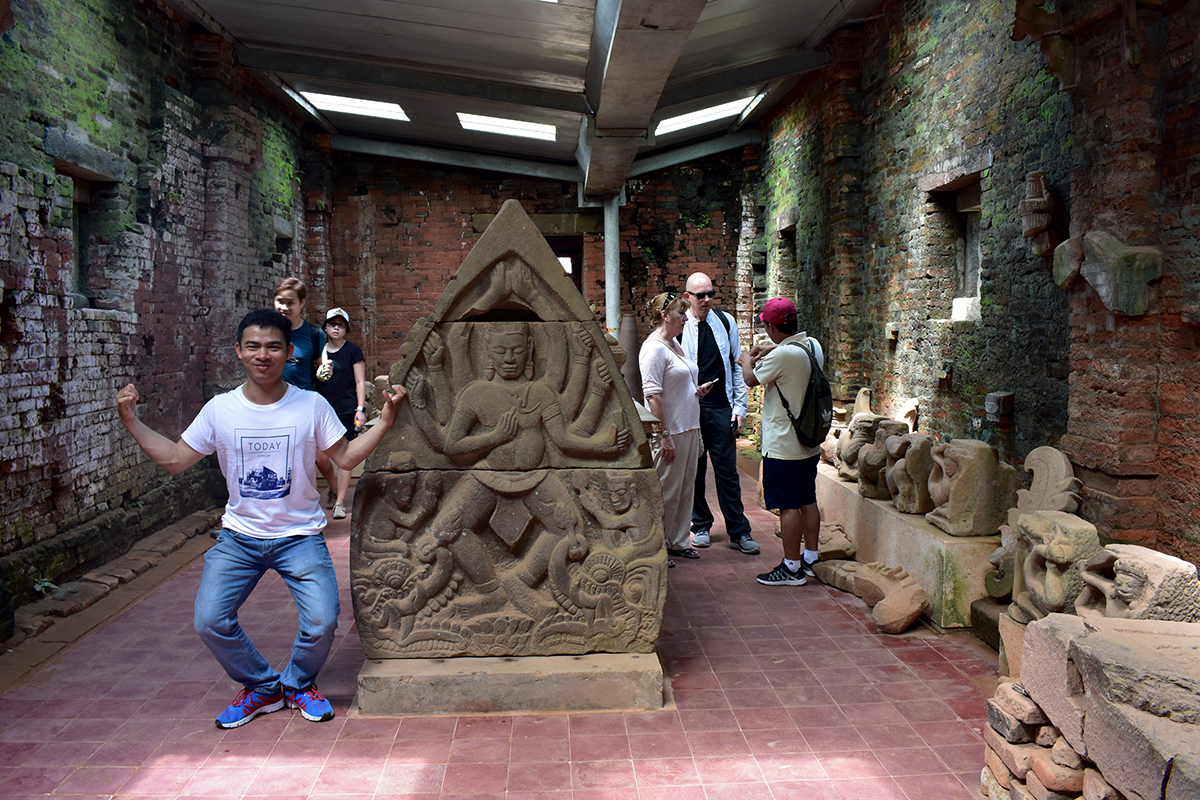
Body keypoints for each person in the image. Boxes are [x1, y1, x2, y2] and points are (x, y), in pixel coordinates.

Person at [115, 309, 408, 728]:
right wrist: (132, 422)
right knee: (210, 620)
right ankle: (262, 686)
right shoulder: (221, 410)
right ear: (239, 351)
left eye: (273, 347)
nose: (262, 355)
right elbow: (176, 459)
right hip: (239, 537)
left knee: (323, 620)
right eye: (253, 346)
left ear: (289, 353)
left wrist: (386, 422)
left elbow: (345, 457)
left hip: (299, 536)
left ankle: (299, 682)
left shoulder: (310, 405)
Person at [737, 297, 824, 586]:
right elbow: (792, 353)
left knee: (788, 507)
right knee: (807, 500)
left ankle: (791, 567)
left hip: (784, 446)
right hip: (809, 441)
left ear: (771, 328)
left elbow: (751, 379)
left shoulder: (781, 356)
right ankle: (810, 558)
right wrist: (772, 348)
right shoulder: (813, 346)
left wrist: (746, 360)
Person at [679, 272, 759, 555]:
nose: (707, 300)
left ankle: (739, 530)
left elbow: (737, 365)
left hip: (721, 406)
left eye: (711, 294)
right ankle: (700, 525)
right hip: (691, 407)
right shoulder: (680, 325)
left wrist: (740, 408)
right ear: (688, 297)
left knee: (727, 471)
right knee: (695, 470)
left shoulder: (725, 322)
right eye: (701, 295)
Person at [640, 292, 718, 561]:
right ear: (665, 316)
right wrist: (664, 435)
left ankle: (677, 540)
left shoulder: (674, 344)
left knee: (685, 489)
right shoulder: (653, 349)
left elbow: (677, 385)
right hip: (671, 430)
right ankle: (655, 546)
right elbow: (653, 395)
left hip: (689, 425)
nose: (685, 318)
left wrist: (696, 392)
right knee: (665, 492)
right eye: (680, 313)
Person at [273, 277, 338, 503]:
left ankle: (334, 488)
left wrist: (325, 371)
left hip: (302, 402)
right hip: (273, 404)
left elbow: (322, 365)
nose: (284, 307)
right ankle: (300, 503)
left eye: (290, 302)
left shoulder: (313, 333)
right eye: (280, 301)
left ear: (302, 303)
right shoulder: (269, 330)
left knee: (318, 457)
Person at [315, 307, 367, 520]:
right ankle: (334, 487)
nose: (336, 328)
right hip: (321, 410)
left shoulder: (353, 350)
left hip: (346, 408)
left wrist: (360, 409)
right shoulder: (319, 352)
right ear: (325, 328)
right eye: (332, 324)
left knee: (344, 456)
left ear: (346, 329)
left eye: (341, 325)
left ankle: (339, 503)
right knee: (320, 456)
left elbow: (360, 381)